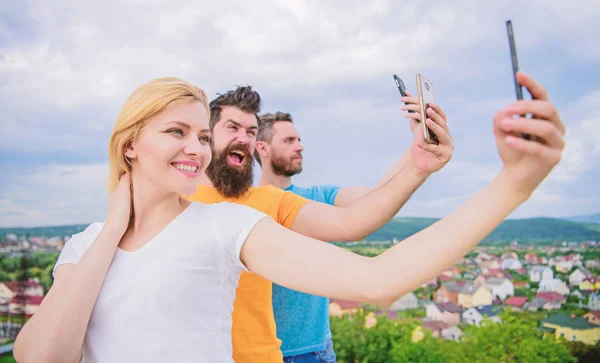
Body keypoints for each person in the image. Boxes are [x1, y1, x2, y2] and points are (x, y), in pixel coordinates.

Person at [14, 71, 565, 363]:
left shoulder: (227, 226)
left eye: (200, 135)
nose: (195, 148)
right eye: (177, 132)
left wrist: (512, 185)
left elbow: (376, 279)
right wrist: (112, 228)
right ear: (129, 146)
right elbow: (42, 355)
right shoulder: (86, 244)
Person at [188, 86, 454, 362]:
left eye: (251, 131)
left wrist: (417, 158)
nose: (300, 146)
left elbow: (363, 212)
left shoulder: (287, 200)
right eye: (233, 128)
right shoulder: (179, 199)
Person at [254, 90, 442, 362]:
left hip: (318, 351)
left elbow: (376, 197)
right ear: (263, 148)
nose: (300, 146)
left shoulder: (320, 197)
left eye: (300, 139)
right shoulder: (247, 207)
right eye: (289, 140)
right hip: (265, 354)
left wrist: (416, 147)